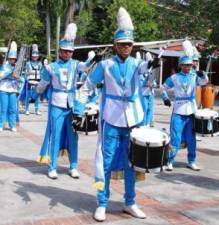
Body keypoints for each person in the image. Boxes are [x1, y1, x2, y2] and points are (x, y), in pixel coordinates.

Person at [75, 8, 156, 222]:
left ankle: (130, 202)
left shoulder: (138, 63)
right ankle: (102, 202)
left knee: (132, 162)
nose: (126, 48)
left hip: (133, 120)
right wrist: (77, 109)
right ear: (115, 45)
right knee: (106, 161)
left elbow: (145, 68)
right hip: (110, 119)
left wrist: (152, 64)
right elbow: (87, 86)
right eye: (122, 44)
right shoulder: (105, 64)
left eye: (129, 44)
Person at [35, 23, 95, 179]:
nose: (67, 53)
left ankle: (73, 166)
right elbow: (43, 84)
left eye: (70, 51)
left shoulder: (76, 64)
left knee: (73, 135)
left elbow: (86, 66)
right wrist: (36, 92)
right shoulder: (51, 67)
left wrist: (92, 58)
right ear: (60, 51)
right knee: (55, 135)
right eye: (65, 51)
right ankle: (52, 166)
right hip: (56, 104)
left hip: (72, 105)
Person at [161, 40, 208, 171]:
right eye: (185, 65)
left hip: (192, 111)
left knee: (191, 139)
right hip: (178, 111)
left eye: (190, 65)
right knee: (175, 138)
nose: (188, 67)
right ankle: (170, 160)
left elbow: (204, 82)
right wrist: (165, 98)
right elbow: (163, 87)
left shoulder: (194, 76)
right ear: (181, 65)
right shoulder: (174, 77)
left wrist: (202, 74)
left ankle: (191, 161)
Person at [0, 41, 22, 132]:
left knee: (13, 109)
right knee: (4, 108)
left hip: (13, 90)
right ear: (8, 58)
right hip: (4, 89)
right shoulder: (3, 66)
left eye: (14, 58)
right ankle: (1, 124)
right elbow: (1, 76)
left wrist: (17, 77)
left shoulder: (18, 68)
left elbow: (22, 79)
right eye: (11, 58)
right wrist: (9, 73)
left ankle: (12, 125)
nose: (12, 60)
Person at [23, 44, 43, 115]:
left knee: (37, 97)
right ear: (32, 56)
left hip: (37, 82)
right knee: (28, 96)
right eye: (33, 56)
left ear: (37, 57)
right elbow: (25, 73)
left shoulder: (40, 64)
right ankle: (26, 109)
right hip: (30, 82)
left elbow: (42, 72)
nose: (35, 57)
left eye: (36, 56)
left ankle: (37, 110)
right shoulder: (28, 63)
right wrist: (27, 79)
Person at [140, 52, 157, 126]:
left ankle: (148, 123)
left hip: (151, 93)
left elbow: (154, 82)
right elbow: (139, 83)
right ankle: (143, 124)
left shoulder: (151, 72)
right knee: (144, 109)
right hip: (143, 93)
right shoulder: (141, 72)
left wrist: (153, 84)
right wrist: (146, 83)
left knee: (150, 109)